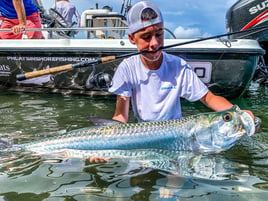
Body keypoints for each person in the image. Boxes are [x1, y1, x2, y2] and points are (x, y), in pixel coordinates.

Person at [108, 0, 255, 123]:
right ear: (132, 39)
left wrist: (238, 114)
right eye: (146, 37)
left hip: (176, 132)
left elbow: (208, 98)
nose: (154, 43)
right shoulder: (127, 68)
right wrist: (106, 147)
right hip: (145, 134)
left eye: (159, 34)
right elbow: (121, 116)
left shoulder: (178, 66)